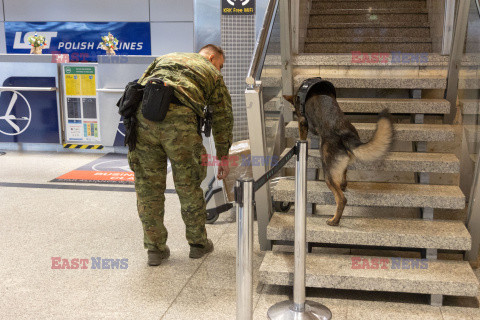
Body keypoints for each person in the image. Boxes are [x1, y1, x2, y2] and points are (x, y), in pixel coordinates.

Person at [127, 44, 233, 266]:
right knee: (189, 186)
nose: (220, 70)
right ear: (212, 58)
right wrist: (223, 156)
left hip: (144, 119)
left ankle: (154, 250)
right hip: (180, 124)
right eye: (220, 65)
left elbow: (140, 85)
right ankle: (197, 244)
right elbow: (223, 116)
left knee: (147, 189)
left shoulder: (167, 56)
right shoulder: (212, 73)